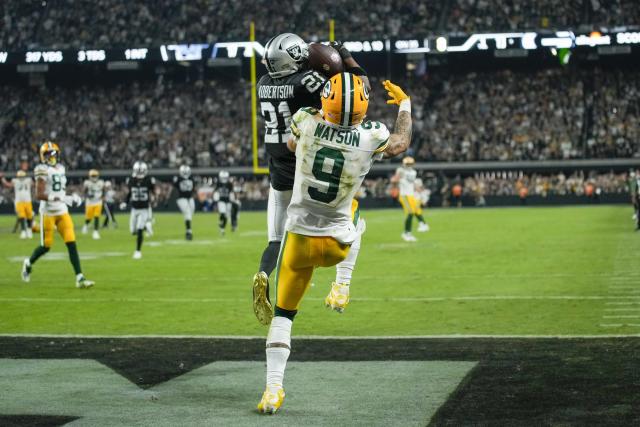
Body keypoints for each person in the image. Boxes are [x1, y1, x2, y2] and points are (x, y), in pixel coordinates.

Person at [255, 76, 413, 414]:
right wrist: (404, 104)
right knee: (357, 214)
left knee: (283, 316)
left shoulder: (304, 120)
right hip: (337, 242)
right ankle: (341, 286)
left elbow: (292, 146)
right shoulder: (372, 134)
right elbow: (400, 143)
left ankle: (272, 391)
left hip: (297, 241)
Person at [253, 33, 370, 325]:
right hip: (306, 163)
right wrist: (342, 57)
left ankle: (264, 274)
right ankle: (340, 282)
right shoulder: (306, 81)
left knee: (276, 238)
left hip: (277, 165)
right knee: (349, 217)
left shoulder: (263, 84)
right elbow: (352, 92)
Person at [21, 141, 94, 288]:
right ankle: (28, 263)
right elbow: (39, 194)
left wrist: (72, 197)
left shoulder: (61, 168)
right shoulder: (41, 169)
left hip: (62, 211)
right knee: (46, 246)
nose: (51, 157)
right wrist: (57, 198)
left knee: (71, 243)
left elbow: (59, 190)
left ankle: (80, 278)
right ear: (43, 156)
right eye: (48, 154)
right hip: (48, 213)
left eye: (53, 153)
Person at [122, 161, 155, 259]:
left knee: (139, 229)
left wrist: (154, 198)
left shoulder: (148, 180)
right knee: (133, 231)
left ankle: (138, 251)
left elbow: (153, 191)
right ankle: (146, 226)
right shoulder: (131, 180)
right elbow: (130, 193)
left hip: (144, 208)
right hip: (134, 209)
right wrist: (125, 202)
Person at [391, 157, 429, 241]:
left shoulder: (413, 172)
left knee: (415, 211)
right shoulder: (400, 170)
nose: (409, 165)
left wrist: (419, 190)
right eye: (408, 164)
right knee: (411, 212)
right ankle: (407, 233)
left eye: (410, 164)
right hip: (404, 195)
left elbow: (412, 183)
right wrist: (396, 179)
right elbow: (394, 180)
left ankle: (422, 224)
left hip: (411, 195)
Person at [1, 170, 34, 239]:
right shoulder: (15, 181)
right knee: (21, 216)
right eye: (20, 176)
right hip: (19, 201)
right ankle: (23, 231)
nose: (21, 178)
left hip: (27, 200)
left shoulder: (28, 180)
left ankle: (29, 230)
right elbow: (8, 185)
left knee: (29, 216)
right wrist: (2, 178)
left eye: (22, 176)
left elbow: (35, 184)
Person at [173, 165, 196, 240]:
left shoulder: (192, 178)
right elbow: (173, 187)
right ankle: (188, 232)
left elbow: (193, 189)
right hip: (181, 198)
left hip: (190, 198)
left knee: (191, 213)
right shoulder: (178, 179)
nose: (185, 173)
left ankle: (188, 228)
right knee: (188, 213)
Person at [82, 169, 105, 240]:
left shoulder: (101, 182)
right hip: (90, 202)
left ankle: (95, 232)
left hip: (98, 202)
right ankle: (86, 225)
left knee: (96, 216)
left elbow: (103, 190)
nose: (94, 177)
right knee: (89, 217)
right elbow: (84, 192)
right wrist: (88, 196)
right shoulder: (87, 183)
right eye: (93, 176)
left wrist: (103, 196)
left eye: (95, 175)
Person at [214, 170, 234, 236]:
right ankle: (221, 223)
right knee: (222, 212)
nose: (224, 179)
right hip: (221, 200)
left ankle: (222, 229)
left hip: (228, 201)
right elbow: (216, 191)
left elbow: (231, 192)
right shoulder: (218, 183)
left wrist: (232, 199)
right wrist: (216, 199)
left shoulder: (229, 184)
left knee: (226, 216)